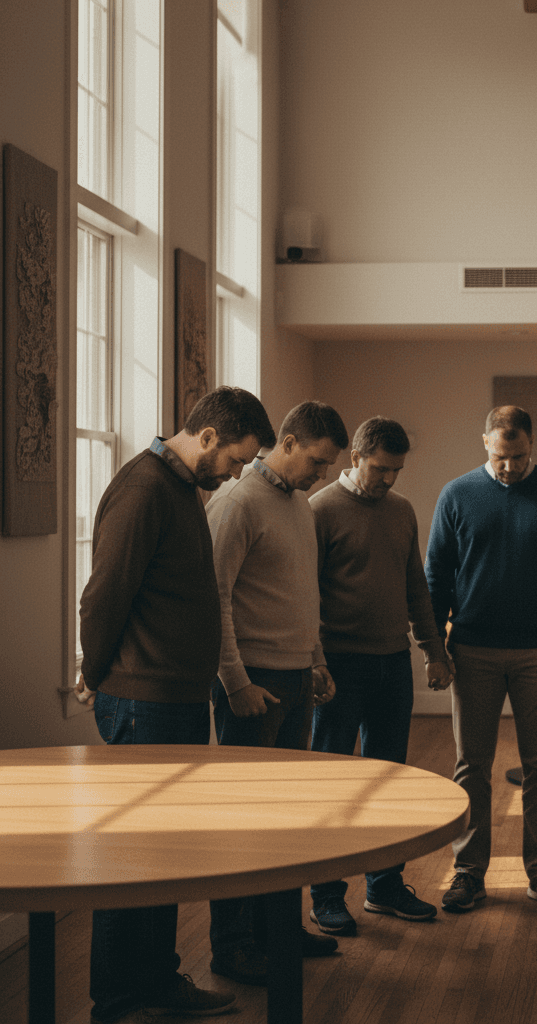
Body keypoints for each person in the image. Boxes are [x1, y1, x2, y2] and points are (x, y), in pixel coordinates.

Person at [77, 385, 276, 1023]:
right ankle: (118, 1002)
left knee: (163, 857)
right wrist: (94, 670)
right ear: (208, 436)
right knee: (132, 860)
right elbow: (104, 593)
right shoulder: (143, 489)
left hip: (176, 700)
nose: (238, 474)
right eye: (236, 459)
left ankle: (157, 982)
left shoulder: (183, 487)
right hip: (145, 702)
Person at [425, 405, 537, 914]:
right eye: (501, 456)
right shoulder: (457, 495)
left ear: (531, 445)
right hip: (471, 649)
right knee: (471, 765)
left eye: (518, 457)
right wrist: (434, 650)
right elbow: (436, 577)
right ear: (485, 443)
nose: (509, 467)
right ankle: (468, 873)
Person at [204, 400, 349, 986]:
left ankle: (278, 933)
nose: (322, 474)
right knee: (243, 820)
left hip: (294, 678)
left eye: (328, 465)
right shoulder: (237, 503)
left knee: (286, 819)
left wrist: (315, 658)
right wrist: (235, 682)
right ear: (287, 443)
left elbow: (301, 591)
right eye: (316, 461)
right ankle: (233, 946)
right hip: (253, 684)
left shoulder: (298, 505)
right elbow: (215, 599)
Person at [307, 417, 454, 936]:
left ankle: (384, 885)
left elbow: (416, 586)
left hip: (392, 662)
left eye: (396, 471)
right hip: (339, 666)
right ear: (355, 459)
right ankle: (326, 895)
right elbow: (305, 595)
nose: (388, 479)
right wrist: (315, 660)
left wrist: (434, 650)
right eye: (379, 469)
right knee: (333, 783)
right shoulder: (320, 509)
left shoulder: (401, 510)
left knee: (390, 780)